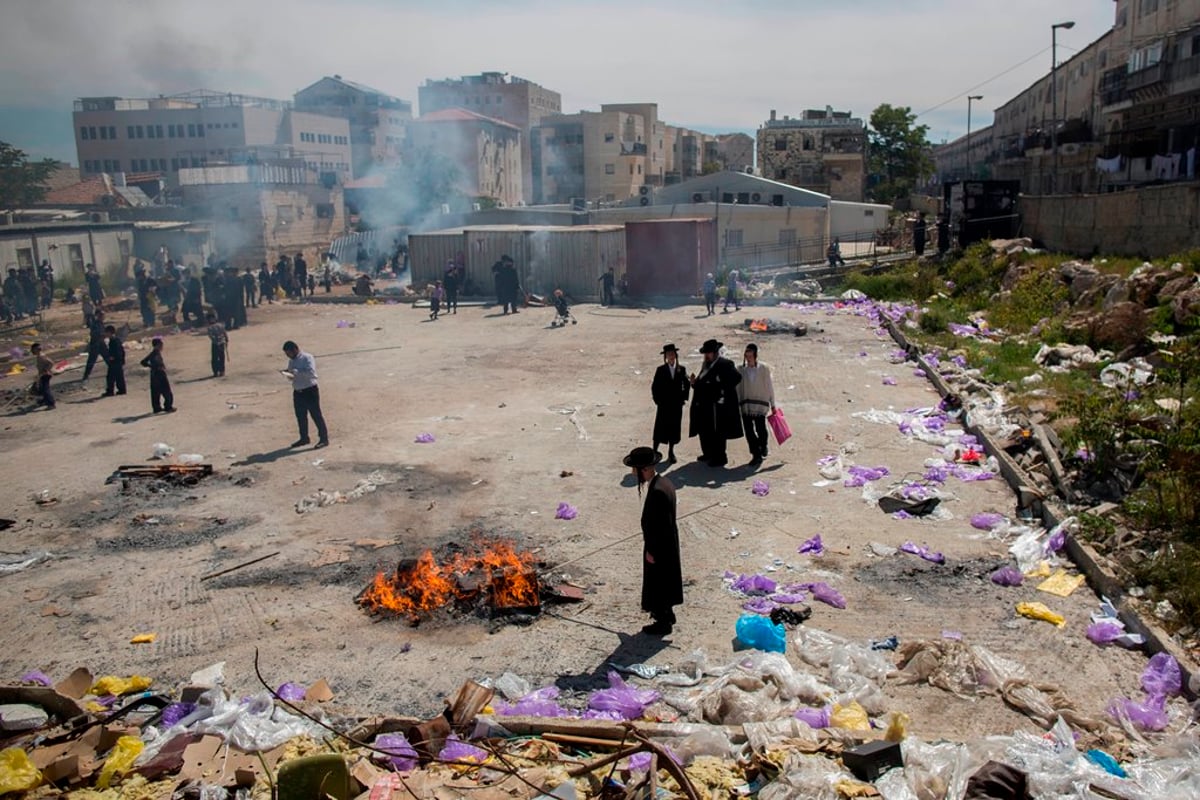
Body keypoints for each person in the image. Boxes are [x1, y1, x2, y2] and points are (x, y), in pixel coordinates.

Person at [623, 446, 682, 636]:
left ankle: (663, 621)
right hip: (666, 543)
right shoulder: (663, 483)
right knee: (664, 581)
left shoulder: (658, 490)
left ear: (646, 469)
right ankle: (667, 615)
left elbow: (660, 526)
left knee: (659, 584)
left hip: (660, 546)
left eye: (636, 468)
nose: (633, 472)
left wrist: (652, 550)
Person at [688, 339, 743, 467]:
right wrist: (694, 383)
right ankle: (708, 454)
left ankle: (720, 457)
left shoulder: (725, 364)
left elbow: (737, 378)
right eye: (705, 353)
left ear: (715, 353)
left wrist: (722, 389)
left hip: (717, 407)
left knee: (718, 433)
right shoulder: (706, 365)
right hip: (703, 405)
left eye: (708, 353)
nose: (706, 355)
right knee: (704, 431)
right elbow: (703, 383)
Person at [282, 340, 328, 449]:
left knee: (316, 415)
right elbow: (292, 376)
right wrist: (288, 374)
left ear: (295, 349)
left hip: (309, 390)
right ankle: (304, 438)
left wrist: (297, 372)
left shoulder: (307, 357)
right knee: (300, 416)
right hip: (298, 391)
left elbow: (311, 373)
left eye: (289, 353)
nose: (288, 356)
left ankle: (324, 438)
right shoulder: (291, 361)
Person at [737, 343, 776, 464]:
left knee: (761, 430)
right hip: (746, 405)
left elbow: (769, 386)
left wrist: (773, 404)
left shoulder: (764, 369)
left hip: (760, 405)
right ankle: (756, 454)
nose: (748, 357)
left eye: (750, 354)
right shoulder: (741, 370)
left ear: (755, 355)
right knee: (749, 431)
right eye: (746, 355)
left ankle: (763, 445)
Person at [651, 343, 690, 464]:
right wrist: (658, 401)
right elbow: (654, 387)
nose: (671, 356)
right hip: (664, 404)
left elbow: (686, 384)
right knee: (660, 427)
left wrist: (684, 398)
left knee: (674, 427)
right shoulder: (661, 370)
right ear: (665, 357)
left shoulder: (681, 369)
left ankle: (671, 451)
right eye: (668, 354)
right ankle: (654, 451)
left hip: (676, 404)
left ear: (676, 355)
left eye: (672, 354)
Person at [139, 337, 176, 413]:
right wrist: (156, 366)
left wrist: (150, 366)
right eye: (161, 345)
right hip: (159, 374)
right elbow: (154, 362)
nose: (162, 346)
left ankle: (157, 408)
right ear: (157, 345)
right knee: (166, 391)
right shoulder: (155, 354)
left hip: (154, 375)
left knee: (155, 392)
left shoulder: (153, 353)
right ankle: (168, 407)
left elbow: (143, 362)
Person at [81, 312, 106, 382]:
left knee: (107, 358)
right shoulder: (95, 324)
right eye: (102, 316)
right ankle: (86, 375)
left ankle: (114, 372)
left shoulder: (101, 324)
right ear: (99, 316)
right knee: (91, 361)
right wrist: (102, 335)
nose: (103, 318)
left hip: (101, 344)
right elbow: (94, 334)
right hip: (95, 344)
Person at [102, 324, 126, 397]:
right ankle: (122, 390)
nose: (105, 334)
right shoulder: (116, 340)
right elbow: (122, 351)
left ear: (109, 332)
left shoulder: (114, 341)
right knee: (119, 376)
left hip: (115, 362)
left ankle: (110, 391)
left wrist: (113, 357)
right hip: (118, 361)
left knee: (111, 377)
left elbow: (118, 352)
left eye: (106, 332)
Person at [30, 343, 55, 410]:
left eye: (33, 350)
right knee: (42, 389)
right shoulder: (39, 356)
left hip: (45, 375)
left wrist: (46, 370)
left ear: (35, 349)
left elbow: (51, 363)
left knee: (45, 389)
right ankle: (44, 401)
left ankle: (51, 404)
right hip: (42, 375)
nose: (32, 351)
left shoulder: (41, 356)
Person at [207, 312, 228, 377]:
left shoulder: (210, 328)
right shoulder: (220, 325)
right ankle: (222, 371)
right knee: (221, 357)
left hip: (215, 344)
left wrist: (217, 340)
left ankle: (216, 372)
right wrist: (226, 340)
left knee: (215, 358)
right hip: (221, 343)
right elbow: (225, 333)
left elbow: (211, 336)